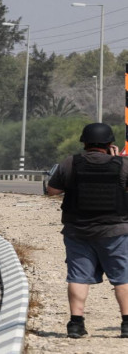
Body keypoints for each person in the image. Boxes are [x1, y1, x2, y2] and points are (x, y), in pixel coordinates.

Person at [46, 122, 128, 339]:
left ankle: (75, 323)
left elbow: (51, 190)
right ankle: (127, 324)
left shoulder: (70, 163)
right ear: (110, 143)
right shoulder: (122, 164)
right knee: (122, 277)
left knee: (78, 276)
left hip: (78, 231)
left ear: (84, 142)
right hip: (115, 231)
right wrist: (117, 159)